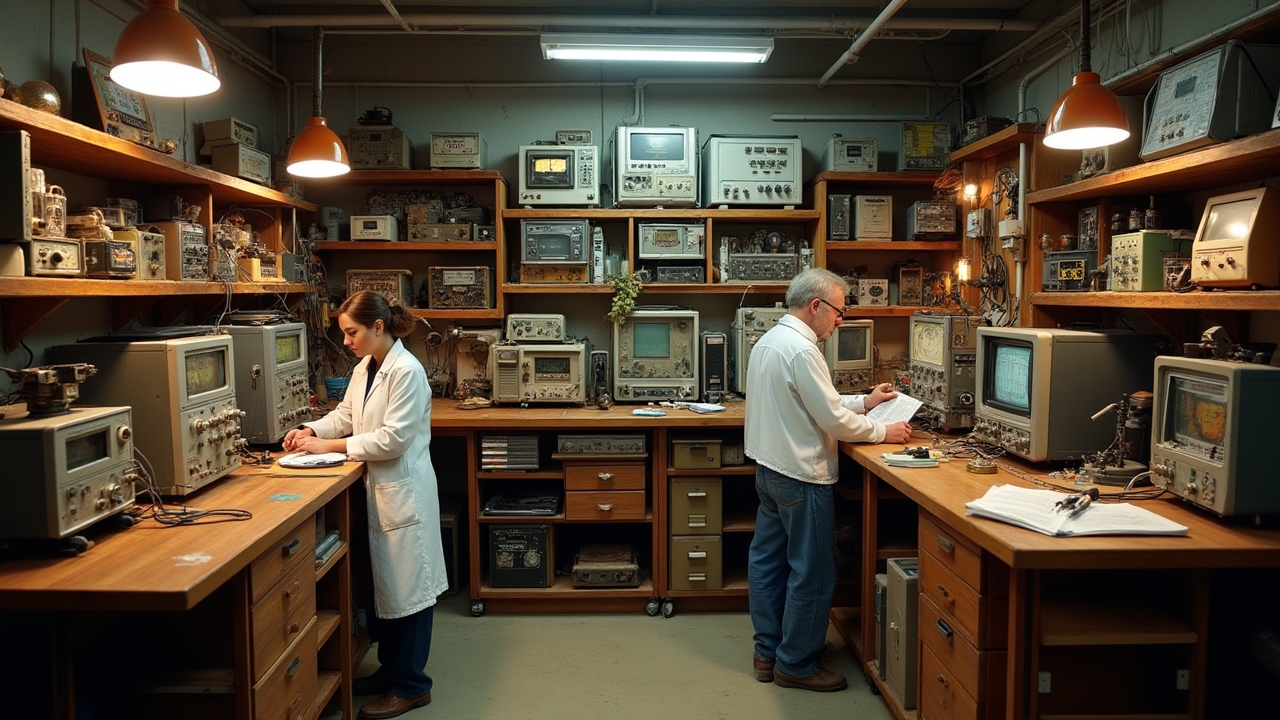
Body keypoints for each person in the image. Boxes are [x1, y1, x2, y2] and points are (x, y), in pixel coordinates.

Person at [744, 268, 912, 692]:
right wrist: (883, 430)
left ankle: (768, 653)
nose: (840, 321)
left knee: (766, 564)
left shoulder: (771, 340)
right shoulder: (802, 350)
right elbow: (834, 419)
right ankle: (796, 665)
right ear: (816, 306)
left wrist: (866, 401)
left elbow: (818, 401)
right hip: (802, 477)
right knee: (813, 573)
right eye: (838, 311)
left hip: (770, 472)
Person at [283, 291, 448, 719]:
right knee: (385, 590)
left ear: (378, 327)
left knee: (411, 591)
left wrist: (329, 445)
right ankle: (391, 671)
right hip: (377, 492)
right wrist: (307, 429)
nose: (347, 341)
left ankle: (412, 685)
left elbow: (392, 440)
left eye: (352, 332)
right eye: (343, 334)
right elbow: (345, 414)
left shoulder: (406, 371)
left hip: (403, 493)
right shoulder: (367, 367)